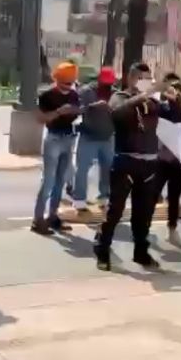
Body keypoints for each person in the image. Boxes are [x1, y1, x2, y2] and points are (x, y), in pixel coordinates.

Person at [94, 63, 181, 271]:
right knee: (115, 211)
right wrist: (148, 93)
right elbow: (116, 113)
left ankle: (141, 252)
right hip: (126, 161)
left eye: (150, 78)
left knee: (143, 213)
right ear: (132, 78)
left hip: (149, 163)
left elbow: (176, 117)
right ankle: (102, 249)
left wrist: (175, 99)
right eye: (144, 78)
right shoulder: (121, 97)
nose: (149, 82)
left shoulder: (152, 102)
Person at [31, 62, 81, 235]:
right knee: (49, 180)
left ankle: (53, 216)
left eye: (71, 83)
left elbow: (78, 111)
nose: (68, 87)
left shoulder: (74, 94)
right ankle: (38, 219)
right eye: (65, 83)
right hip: (53, 138)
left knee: (60, 180)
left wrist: (76, 111)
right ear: (57, 79)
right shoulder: (46, 96)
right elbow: (40, 119)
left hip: (69, 138)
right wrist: (59, 112)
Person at [155, 73, 181, 247]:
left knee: (174, 197)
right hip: (161, 159)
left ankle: (172, 231)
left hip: (178, 160)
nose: (178, 95)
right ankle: (141, 230)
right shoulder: (162, 108)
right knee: (151, 195)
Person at [72, 67, 116, 213]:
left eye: (110, 83)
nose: (107, 86)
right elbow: (77, 109)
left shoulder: (114, 93)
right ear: (99, 79)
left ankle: (104, 197)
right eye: (105, 83)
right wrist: (94, 106)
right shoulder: (87, 92)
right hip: (89, 136)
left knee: (108, 169)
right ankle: (79, 199)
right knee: (82, 169)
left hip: (108, 137)